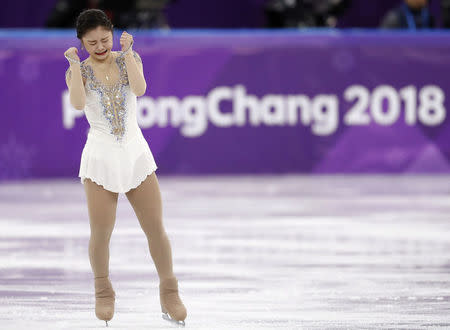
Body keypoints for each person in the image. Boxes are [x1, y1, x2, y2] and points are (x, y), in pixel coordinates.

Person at [63, 8, 187, 327]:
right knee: (101, 232)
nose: (101, 46)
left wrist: (129, 53)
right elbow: (78, 104)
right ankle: (103, 290)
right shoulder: (79, 69)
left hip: (135, 154)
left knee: (155, 228)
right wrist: (76, 65)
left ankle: (169, 290)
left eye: (105, 39)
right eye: (92, 43)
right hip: (100, 158)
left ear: (112, 33)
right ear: (82, 43)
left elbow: (141, 89)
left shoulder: (127, 58)